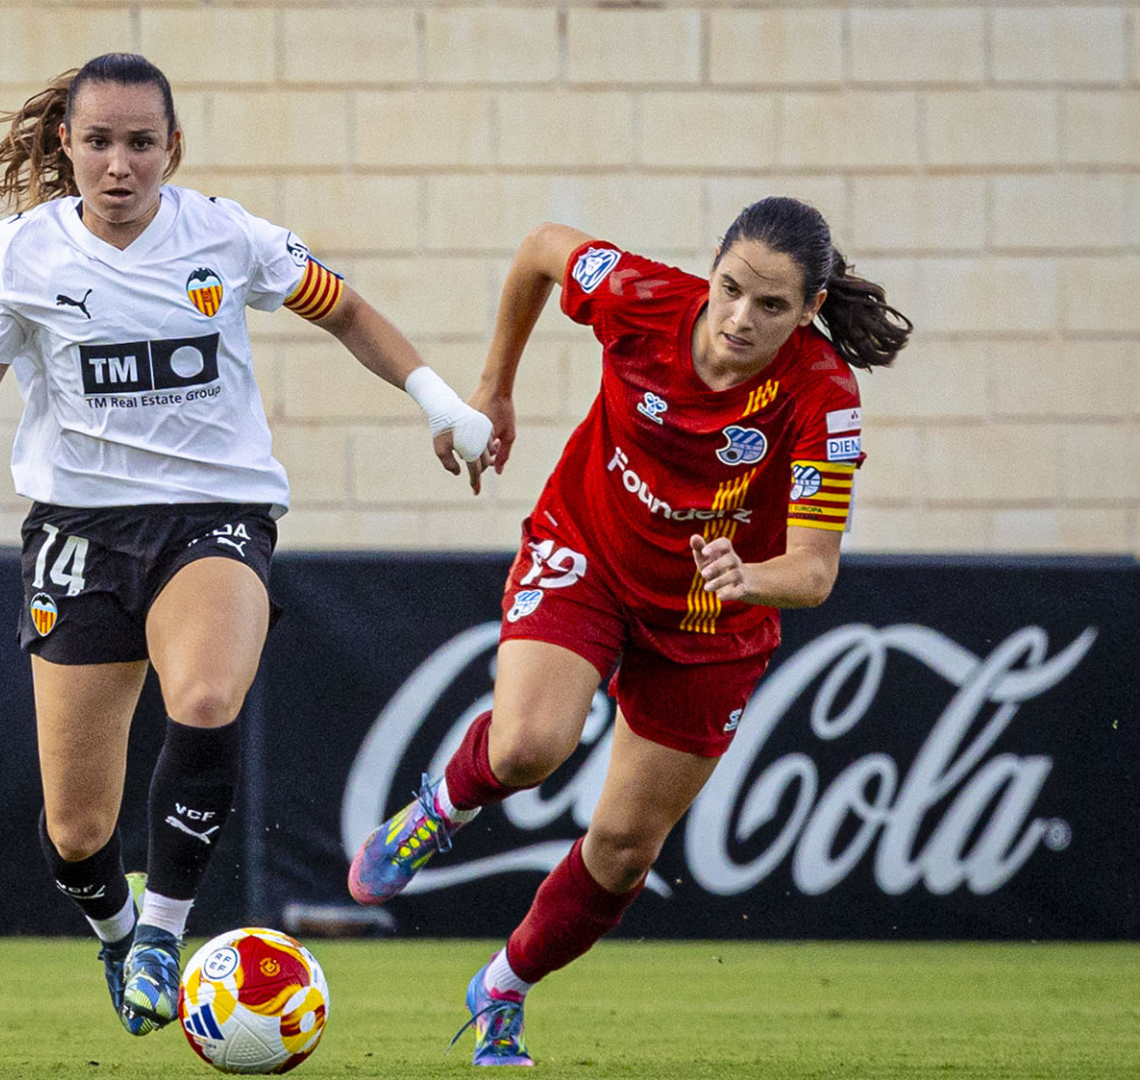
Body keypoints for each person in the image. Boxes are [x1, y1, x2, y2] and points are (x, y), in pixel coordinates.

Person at [0, 53, 491, 1037]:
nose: (120, 165)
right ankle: (115, 931)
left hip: (213, 512)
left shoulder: (228, 238)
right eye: (99, 142)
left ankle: (163, 929)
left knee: (205, 695)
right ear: (66, 144)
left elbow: (348, 311)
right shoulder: (19, 255)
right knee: (75, 833)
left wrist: (439, 403)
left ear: (173, 148)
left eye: (141, 143)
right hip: (78, 532)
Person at [347, 197, 911, 1065]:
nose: (740, 318)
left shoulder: (823, 396)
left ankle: (503, 985)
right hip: (590, 551)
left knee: (621, 851)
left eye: (771, 306)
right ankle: (440, 809)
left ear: (810, 311)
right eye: (731, 288)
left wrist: (748, 576)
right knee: (530, 745)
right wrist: (496, 387)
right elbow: (541, 248)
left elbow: (814, 570)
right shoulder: (641, 297)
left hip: (713, 618)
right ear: (712, 267)